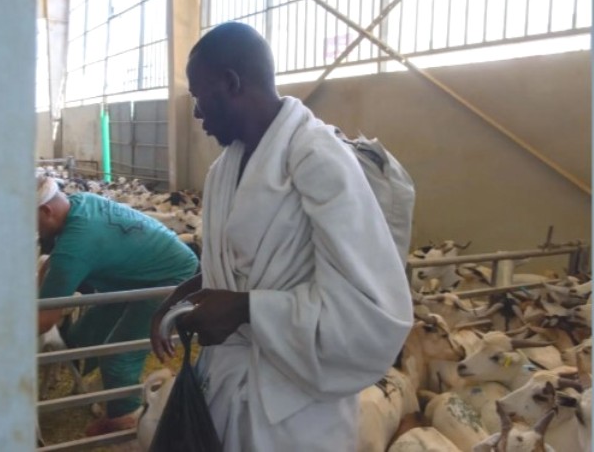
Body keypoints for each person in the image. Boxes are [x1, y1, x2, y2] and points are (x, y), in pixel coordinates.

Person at [149, 22, 414, 451]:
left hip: (294, 414)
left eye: (199, 97)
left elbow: (367, 312)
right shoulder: (223, 169)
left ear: (231, 83)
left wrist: (245, 309)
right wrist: (184, 295)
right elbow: (242, 264)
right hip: (224, 389)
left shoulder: (319, 159)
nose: (196, 114)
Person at [36, 176, 199, 436]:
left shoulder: (76, 245)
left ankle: (127, 420)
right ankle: (109, 391)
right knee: (84, 333)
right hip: (139, 274)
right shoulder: (79, 202)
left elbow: (45, 320)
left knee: (118, 356)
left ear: (46, 211)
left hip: (171, 278)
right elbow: (51, 263)